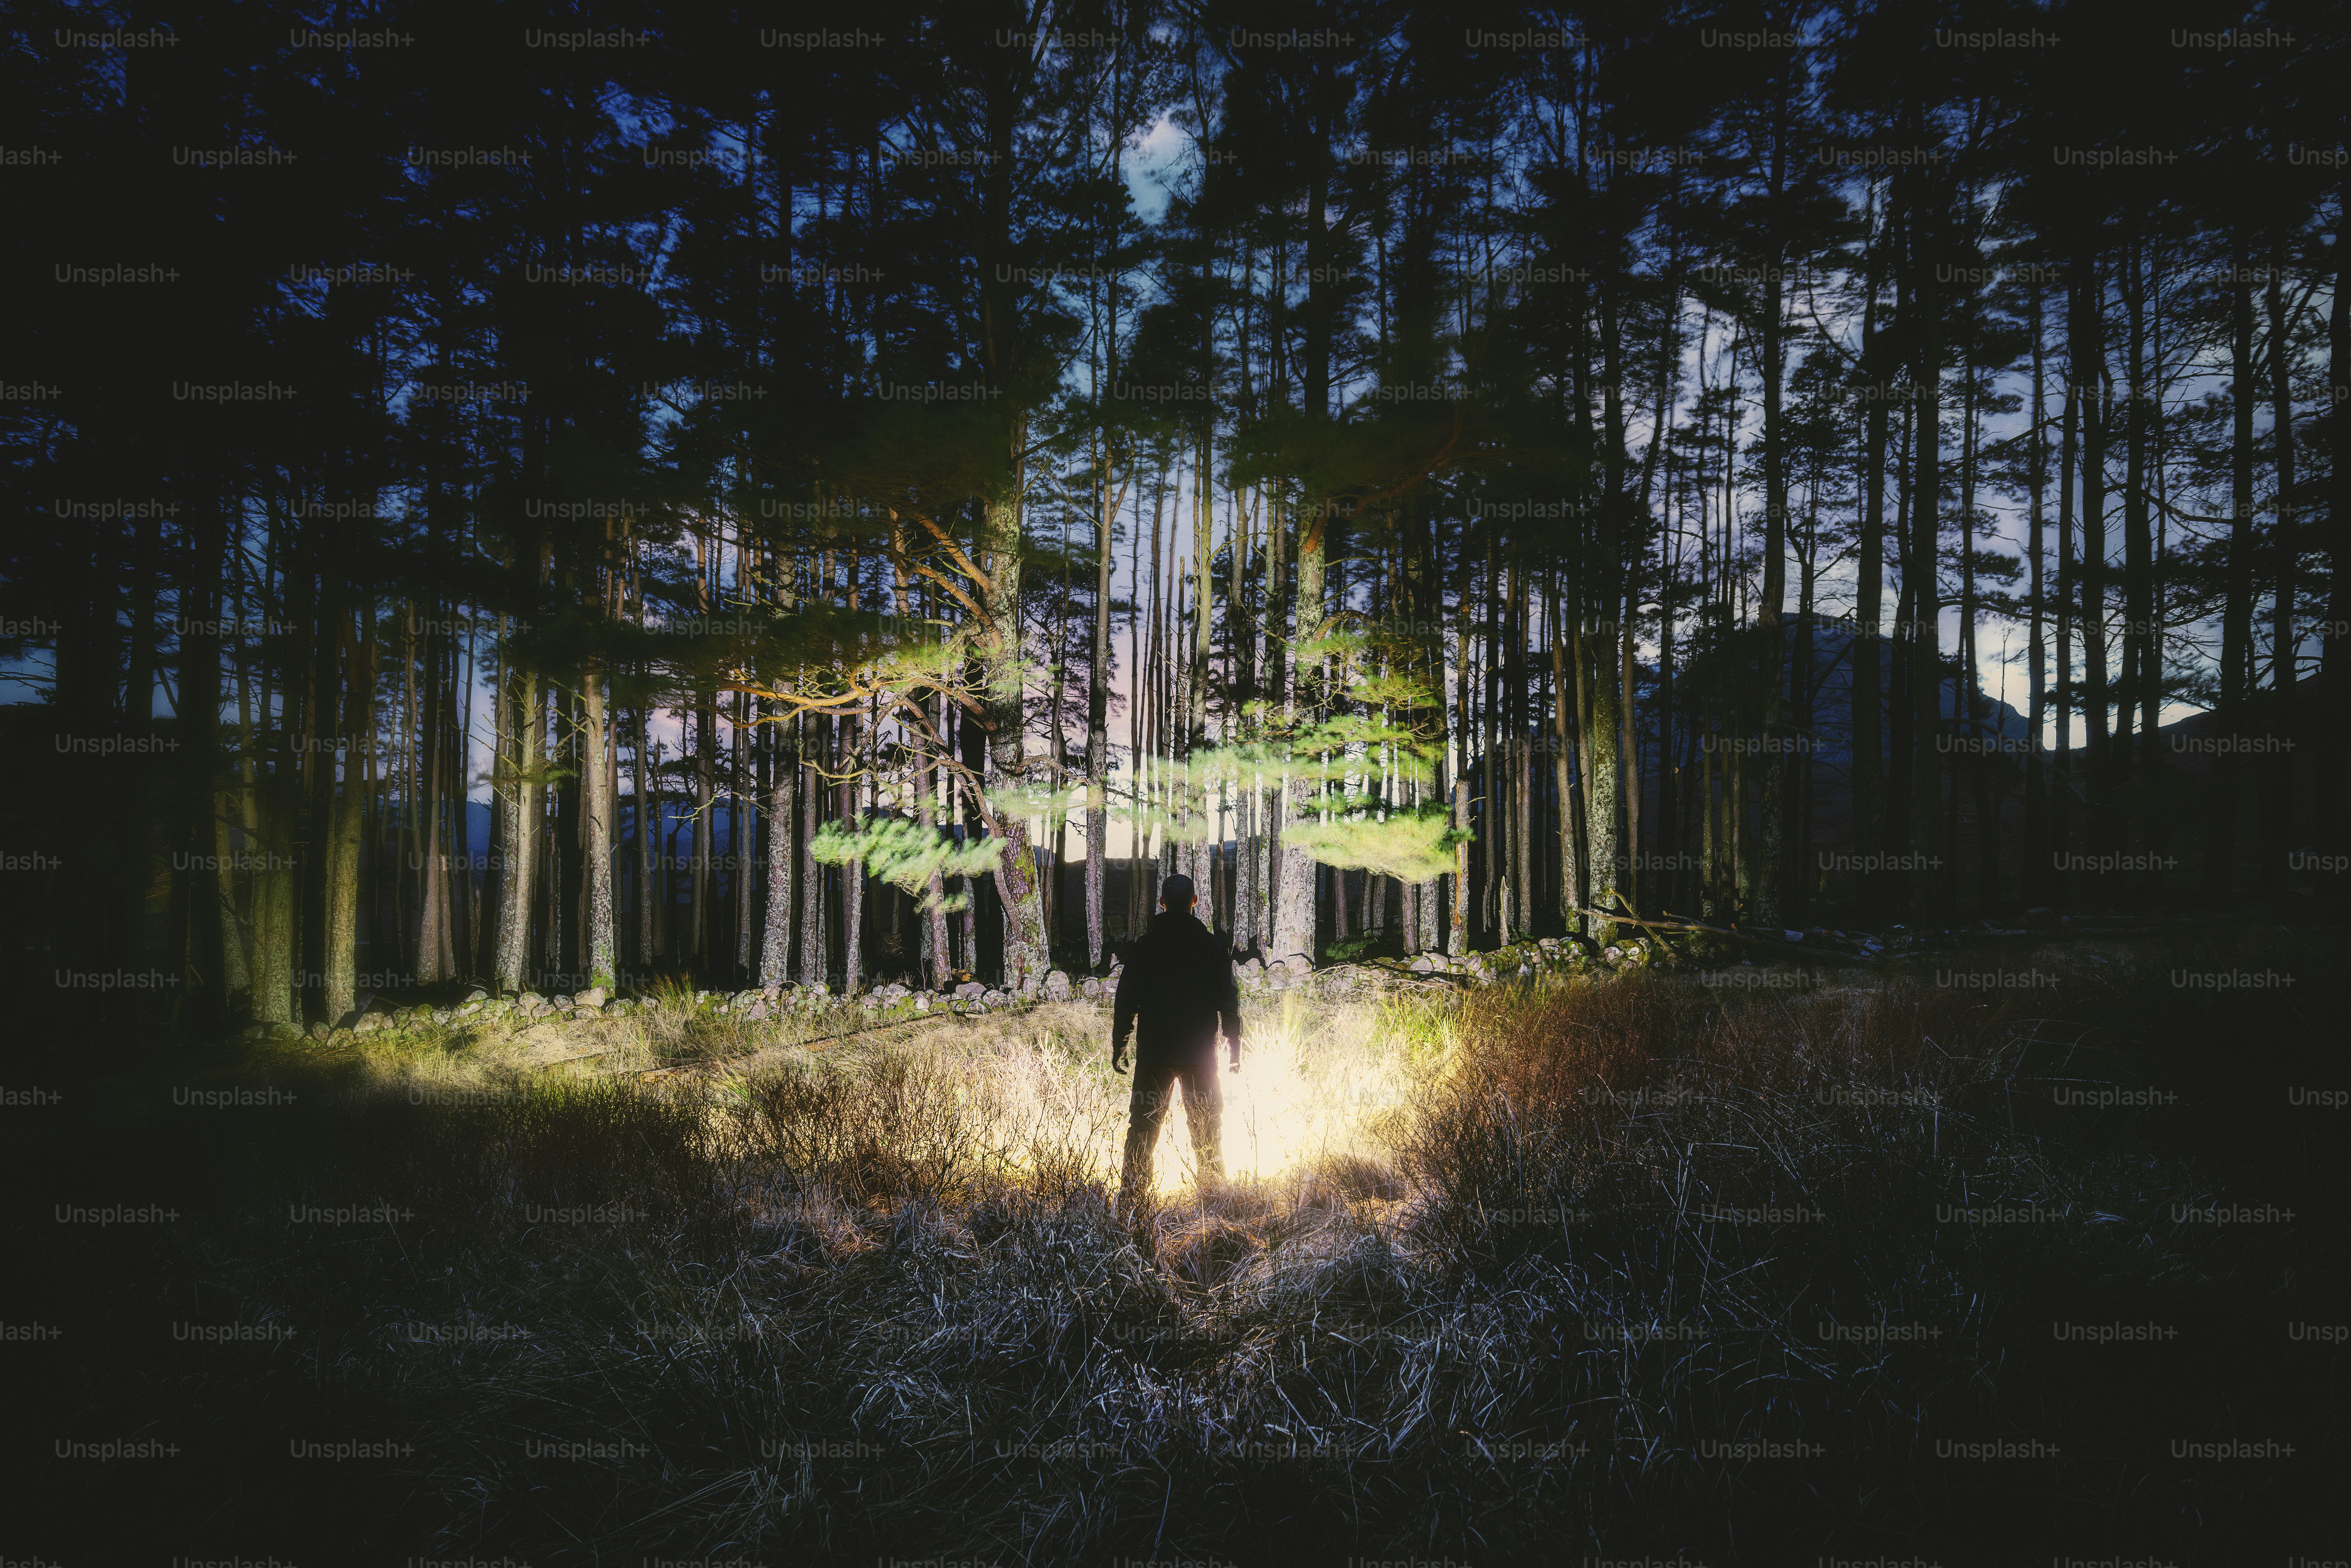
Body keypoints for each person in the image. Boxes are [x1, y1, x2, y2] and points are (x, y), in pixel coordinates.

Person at [1110, 873, 1241, 1202]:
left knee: (1143, 1127)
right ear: (1194, 902)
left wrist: (1120, 1043)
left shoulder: (1146, 946)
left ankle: (1132, 1201)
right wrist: (1235, 1048)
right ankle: (1214, 1202)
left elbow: (1127, 1000)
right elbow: (1228, 1002)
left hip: (1155, 1055)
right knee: (1207, 1128)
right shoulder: (1212, 947)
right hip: (1200, 1057)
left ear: (1162, 904)